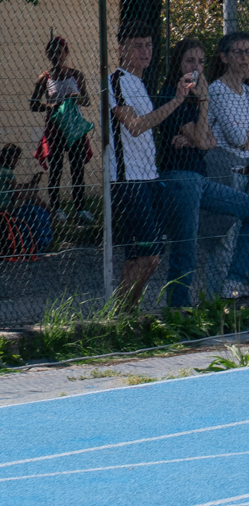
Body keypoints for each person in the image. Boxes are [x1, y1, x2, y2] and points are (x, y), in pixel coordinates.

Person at [165, 36, 249, 302]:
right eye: (189, 61)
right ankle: (188, 308)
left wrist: (198, 129)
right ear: (178, 64)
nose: (196, 68)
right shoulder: (174, 96)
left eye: (200, 62)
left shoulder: (202, 98)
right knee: (191, 249)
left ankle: (238, 278)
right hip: (183, 178)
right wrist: (203, 109)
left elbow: (209, 141)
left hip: (204, 177)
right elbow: (219, 138)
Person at [104, 29, 167, 308]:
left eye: (149, 45)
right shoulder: (116, 81)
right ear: (121, 49)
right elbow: (135, 126)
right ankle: (122, 311)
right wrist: (177, 100)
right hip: (128, 181)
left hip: (150, 179)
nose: (145, 51)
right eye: (138, 45)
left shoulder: (140, 83)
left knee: (139, 258)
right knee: (148, 256)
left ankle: (125, 314)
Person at [29, 34, 89, 211]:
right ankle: (56, 208)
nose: (56, 56)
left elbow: (87, 100)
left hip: (74, 127)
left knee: (77, 169)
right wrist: (49, 106)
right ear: (48, 55)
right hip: (55, 129)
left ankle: (80, 208)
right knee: (55, 170)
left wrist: (77, 98)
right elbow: (33, 104)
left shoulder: (76, 75)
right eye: (52, 53)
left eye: (60, 52)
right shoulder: (45, 78)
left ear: (66, 53)